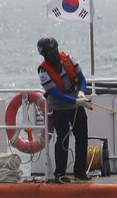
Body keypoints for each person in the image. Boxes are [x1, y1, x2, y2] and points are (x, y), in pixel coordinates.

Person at [36, 37, 92, 181]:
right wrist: (77, 101)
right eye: (50, 53)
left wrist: (81, 91)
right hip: (60, 107)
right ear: (44, 55)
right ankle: (60, 173)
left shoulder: (68, 59)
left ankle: (80, 172)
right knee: (63, 137)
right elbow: (56, 94)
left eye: (55, 51)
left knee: (82, 136)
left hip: (78, 103)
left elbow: (82, 79)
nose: (54, 54)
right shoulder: (43, 71)